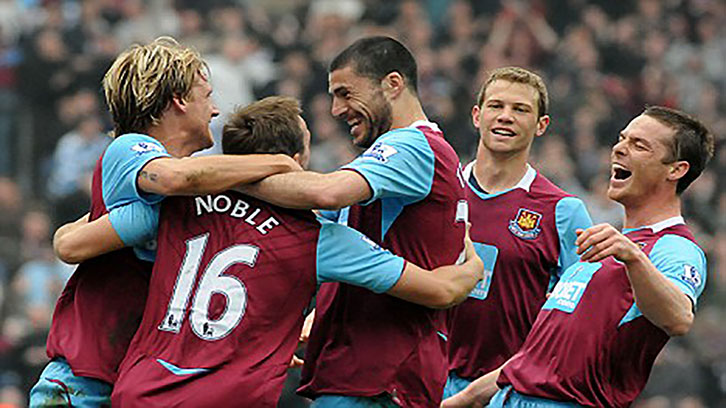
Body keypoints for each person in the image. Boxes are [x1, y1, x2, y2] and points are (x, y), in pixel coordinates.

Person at [100, 96, 482, 407]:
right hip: (230, 396)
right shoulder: (316, 238)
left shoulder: (174, 207)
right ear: (298, 161)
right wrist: (471, 266)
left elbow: (69, 243)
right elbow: (439, 291)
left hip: (141, 389)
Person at [30, 37, 299, 407]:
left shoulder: (195, 198)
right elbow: (175, 179)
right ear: (179, 100)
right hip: (82, 387)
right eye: (207, 96)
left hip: (146, 388)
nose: (216, 110)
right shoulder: (129, 148)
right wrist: (280, 162)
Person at [245, 36, 467, 407]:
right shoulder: (399, 162)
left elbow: (326, 193)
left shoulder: (412, 147)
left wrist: (228, 179)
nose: (335, 109)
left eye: (346, 93)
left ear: (392, 84)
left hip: (379, 376)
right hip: (367, 374)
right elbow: (313, 222)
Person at [442, 106, 714, 408]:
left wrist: (634, 257)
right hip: (507, 398)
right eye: (622, 139)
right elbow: (537, 356)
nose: (620, 149)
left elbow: (678, 318)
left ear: (676, 169)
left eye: (639, 145)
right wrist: (465, 398)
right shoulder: (604, 245)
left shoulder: (673, 246)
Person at [443, 67, 592, 398]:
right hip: (424, 380)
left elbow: (580, 319)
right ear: (477, 115)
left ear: (541, 126)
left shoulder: (563, 212)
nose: (506, 117)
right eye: (497, 106)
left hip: (509, 391)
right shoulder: (438, 193)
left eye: (520, 109)